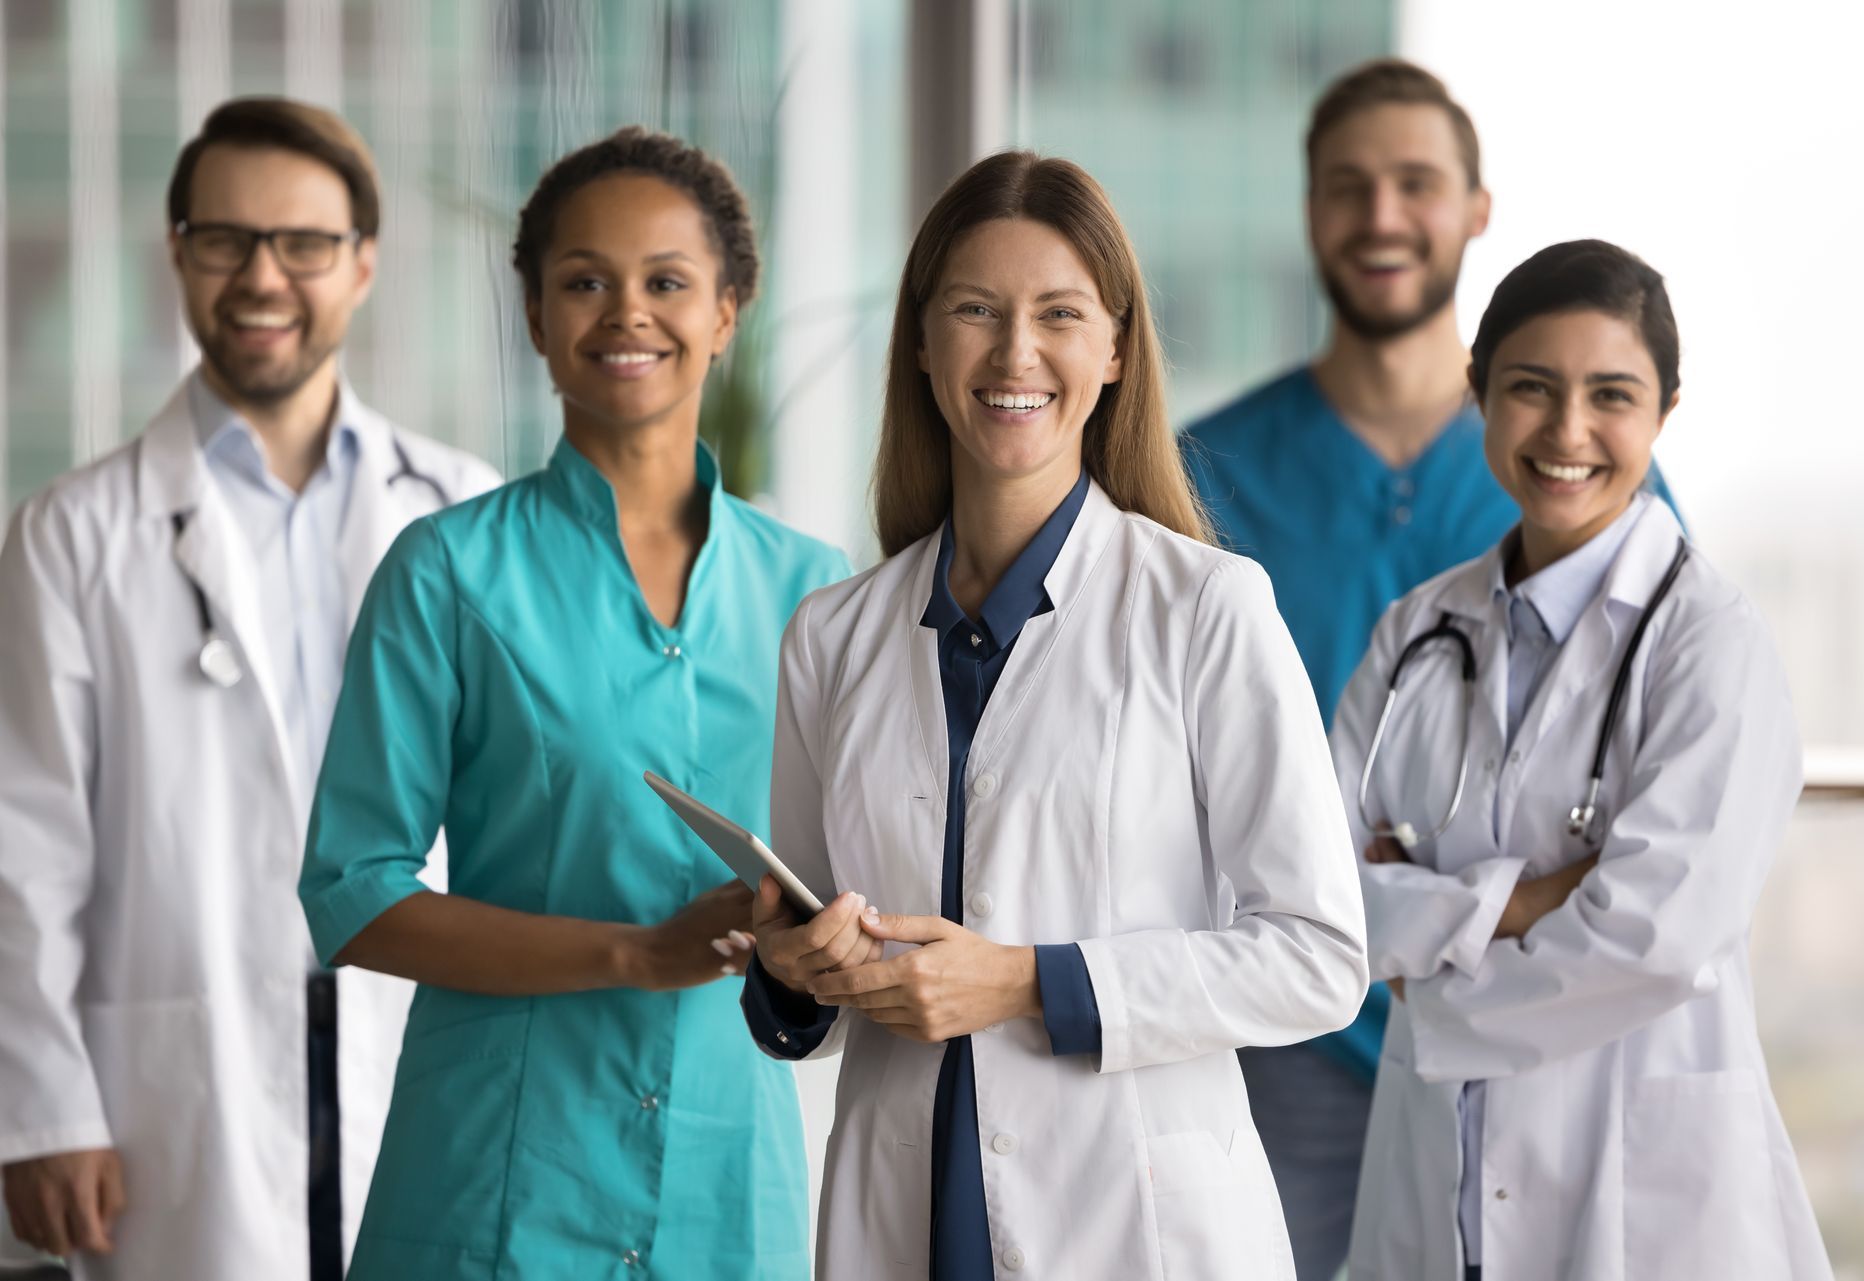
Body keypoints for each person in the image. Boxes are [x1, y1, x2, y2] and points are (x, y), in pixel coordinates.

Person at [739, 150, 1368, 1280]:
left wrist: (1031, 982)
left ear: (1116, 349)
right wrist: (794, 967)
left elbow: (1319, 958)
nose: (1015, 353)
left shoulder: (1208, 610)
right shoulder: (830, 636)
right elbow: (799, 956)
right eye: (974, 311)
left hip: (1141, 1224)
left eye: (1060, 315)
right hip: (909, 1218)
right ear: (923, 345)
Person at [297, 126, 848, 1280]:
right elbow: (353, 893)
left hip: (728, 1177)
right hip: (499, 1176)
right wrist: (634, 953)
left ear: (728, 313)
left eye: (667, 282)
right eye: (584, 281)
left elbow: (862, 873)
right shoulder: (447, 572)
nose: (625, 312)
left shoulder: (818, 591)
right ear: (537, 316)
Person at [1180, 59, 1679, 1280]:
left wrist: (1458, 903)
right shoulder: (1205, 473)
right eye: (1347, 187)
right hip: (1283, 1036)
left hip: (1519, 1032)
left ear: (1476, 209)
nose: (1382, 215)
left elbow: (1649, 770)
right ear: (1309, 214)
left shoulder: (1586, 471)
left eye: (1416, 183)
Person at [0, 99, 498, 1281]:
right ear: (178, 253)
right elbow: (22, 843)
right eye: (225, 240)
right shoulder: (73, 536)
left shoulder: (461, 510)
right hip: (178, 1088)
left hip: (418, 1051)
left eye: (304, 244)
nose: (262, 276)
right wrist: (40, 1107)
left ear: (363, 264)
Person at [1334, 240, 1830, 1280]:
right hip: (1438, 1184)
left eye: (1612, 394)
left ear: (1665, 412)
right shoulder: (1415, 633)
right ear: (1478, 394)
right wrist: (1527, 901)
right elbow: (1325, 894)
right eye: (1530, 388)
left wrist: (1432, 936)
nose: (1567, 431)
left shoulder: (1711, 643)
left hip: (1642, 1199)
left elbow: (1654, 934)